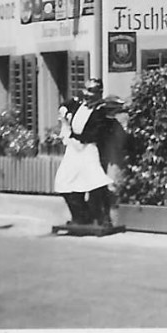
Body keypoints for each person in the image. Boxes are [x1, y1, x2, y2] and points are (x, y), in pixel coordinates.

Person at [54, 79, 113, 227]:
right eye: (85, 89)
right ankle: (80, 216)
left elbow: (95, 133)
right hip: (73, 150)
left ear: (99, 93)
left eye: (91, 91)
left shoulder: (101, 111)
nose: (86, 94)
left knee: (95, 182)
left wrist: (73, 137)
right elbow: (64, 105)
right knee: (64, 181)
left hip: (89, 149)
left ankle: (103, 218)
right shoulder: (77, 103)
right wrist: (64, 112)